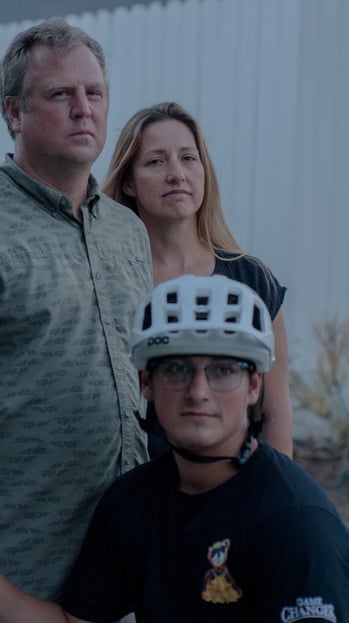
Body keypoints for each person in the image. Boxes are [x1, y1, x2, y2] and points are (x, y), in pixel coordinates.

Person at [0, 274, 349, 623]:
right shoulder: (132, 502)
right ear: (146, 384)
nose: (199, 391)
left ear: (255, 386)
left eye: (222, 370)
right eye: (176, 369)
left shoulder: (294, 522)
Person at [0, 18, 152, 604]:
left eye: (94, 94)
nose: (83, 110)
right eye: (60, 95)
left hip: (114, 572)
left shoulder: (128, 231)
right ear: (14, 112)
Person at [103, 101, 292, 457]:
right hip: (132, 496)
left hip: (229, 496)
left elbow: (275, 416)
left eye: (188, 158)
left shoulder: (253, 281)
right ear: (128, 182)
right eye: (156, 161)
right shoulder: (107, 281)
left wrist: (272, 504)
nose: (176, 173)